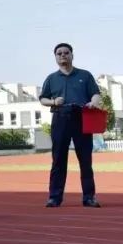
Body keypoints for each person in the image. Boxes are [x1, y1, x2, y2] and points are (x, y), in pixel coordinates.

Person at [40, 43, 103, 208]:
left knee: (85, 160)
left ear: (72, 55)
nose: (62, 55)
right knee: (58, 160)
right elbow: (42, 99)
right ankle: (54, 197)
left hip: (81, 117)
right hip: (60, 118)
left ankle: (89, 197)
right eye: (59, 53)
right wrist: (53, 101)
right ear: (55, 57)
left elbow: (96, 93)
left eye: (66, 53)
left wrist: (93, 102)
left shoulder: (85, 75)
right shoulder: (51, 78)